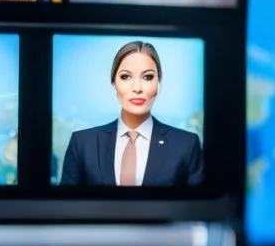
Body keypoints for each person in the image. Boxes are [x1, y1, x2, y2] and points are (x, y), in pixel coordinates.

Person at [59, 40, 204, 186]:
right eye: (125, 77)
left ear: (159, 83)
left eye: (147, 77)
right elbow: (65, 206)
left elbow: (196, 207)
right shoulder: (83, 143)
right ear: (113, 84)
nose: (137, 88)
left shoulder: (186, 145)